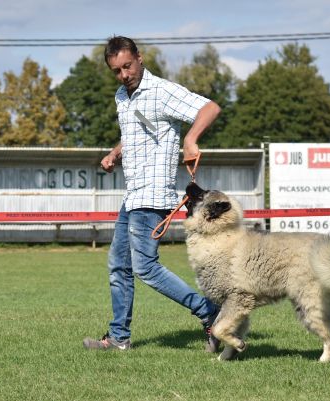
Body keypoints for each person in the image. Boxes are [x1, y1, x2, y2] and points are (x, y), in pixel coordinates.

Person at [83, 36, 221, 352]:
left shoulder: (161, 91)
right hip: (132, 195)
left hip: (153, 194)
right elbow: (136, 131)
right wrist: (115, 152)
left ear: (140, 58)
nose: (124, 75)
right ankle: (119, 337)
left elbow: (210, 108)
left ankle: (210, 312)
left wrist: (191, 139)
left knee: (145, 267)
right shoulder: (122, 96)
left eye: (127, 66)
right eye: (116, 71)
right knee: (118, 266)